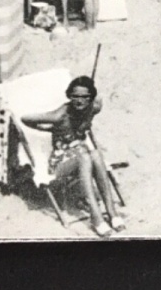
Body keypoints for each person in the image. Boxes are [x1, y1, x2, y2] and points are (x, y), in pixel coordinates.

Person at [22, 76, 123, 238]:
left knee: (96, 153)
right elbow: (25, 119)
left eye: (84, 97)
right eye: (75, 96)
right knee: (85, 154)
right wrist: (49, 128)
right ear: (69, 96)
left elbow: (99, 99)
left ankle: (112, 212)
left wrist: (90, 90)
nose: (79, 101)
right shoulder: (60, 115)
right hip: (60, 163)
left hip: (85, 157)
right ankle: (96, 217)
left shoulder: (93, 108)